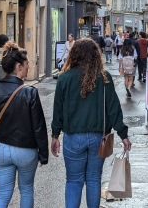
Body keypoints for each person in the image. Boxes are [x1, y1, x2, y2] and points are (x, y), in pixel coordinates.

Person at [51, 38, 131, 208]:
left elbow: (57, 110)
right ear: (96, 56)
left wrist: (55, 135)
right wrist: (123, 135)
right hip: (98, 138)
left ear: (74, 55)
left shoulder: (64, 78)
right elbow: (113, 109)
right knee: (94, 180)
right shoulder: (104, 78)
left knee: (73, 181)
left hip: (73, 138)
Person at [0, 41, 48, 208]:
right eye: (27, 64)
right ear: (19, 67)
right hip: (26, 151)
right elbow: (39, 127)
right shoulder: (30, 93)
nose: (28, 67)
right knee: (26, 190)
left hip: (0, 148)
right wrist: (43, 153)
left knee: (3, 194)